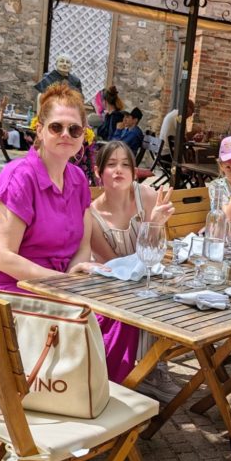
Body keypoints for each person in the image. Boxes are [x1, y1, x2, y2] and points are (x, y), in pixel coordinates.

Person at [0, 82, 92, 297]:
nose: (65, 134)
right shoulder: (20, 178)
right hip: (4, 288)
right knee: (100, 321)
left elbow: (84, 247)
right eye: (56, 127)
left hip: (56, 287)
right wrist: (61, 284)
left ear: (83, 135)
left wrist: (70, 282)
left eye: (74, 129)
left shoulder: (78, 180)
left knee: (122, 317)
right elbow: (1, 256)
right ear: (40, 131)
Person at [85, 141, 176, 384]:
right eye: (111, 164)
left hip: (148, 279)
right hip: (114, 287)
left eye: (126, 164)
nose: (119, 170)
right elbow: (117, 266)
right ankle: (143, 374)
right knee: (147, 303)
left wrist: (156, 224)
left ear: (134, 172)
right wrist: (153, 223)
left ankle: (153, 368)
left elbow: (156, 250)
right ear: (98, 172)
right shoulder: (92, 215)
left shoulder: (145, 196)